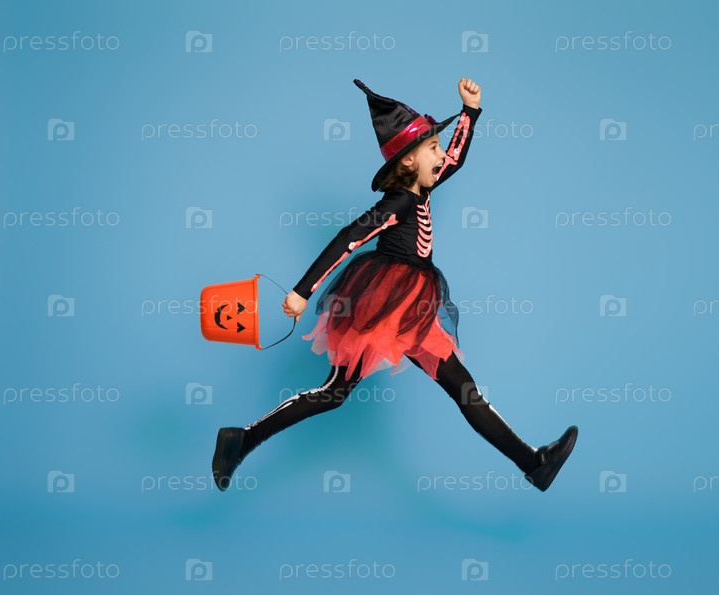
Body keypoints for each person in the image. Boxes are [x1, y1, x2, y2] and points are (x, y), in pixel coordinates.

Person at [212, 78, 578, 493]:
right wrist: (302, 291)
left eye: (438, 147)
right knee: (346, 392)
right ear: (407, 162)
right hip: (386, 304)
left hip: (409, 307)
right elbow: (350, 237)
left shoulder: (422, 187)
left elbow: (456, 159)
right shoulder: (400, 201)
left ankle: (534, 463)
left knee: (446, 389)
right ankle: (243, 439)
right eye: (432, 149)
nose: (441, 156)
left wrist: (470, 112)